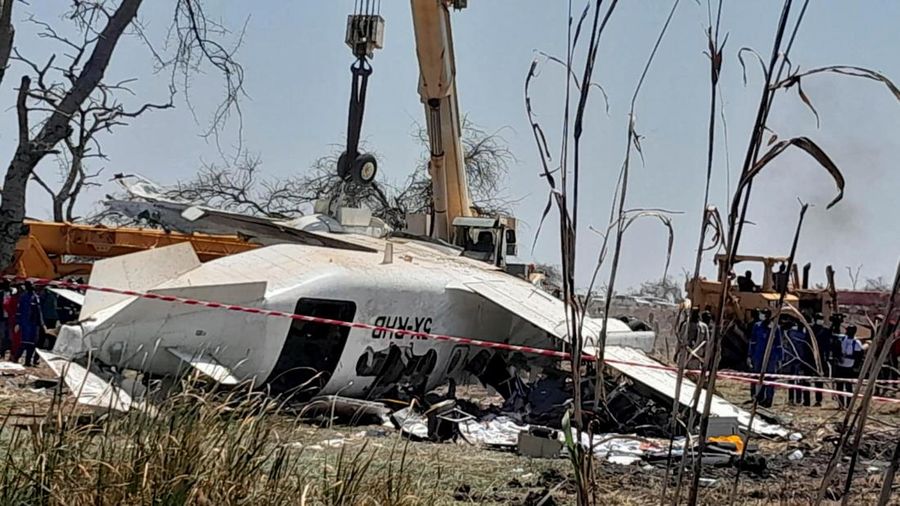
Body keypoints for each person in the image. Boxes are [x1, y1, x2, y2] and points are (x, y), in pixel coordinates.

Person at [749, 309, 781, 407]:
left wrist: (780, 358)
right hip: (758, 356)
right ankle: (757, 397)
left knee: (770, 379)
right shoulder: (757, 326)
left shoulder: (775, 327)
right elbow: (753, 342)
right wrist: (749, 355)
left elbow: (779, 344)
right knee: (757, 377)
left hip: (771, 357)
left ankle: (768, 399)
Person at [833, 324, 864, 409]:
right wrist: (838, 357)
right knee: (839, 386)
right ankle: (841, 404)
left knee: (848, 386)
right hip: (841, 365)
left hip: (850, 366)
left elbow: (858, 356)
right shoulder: (843, 339)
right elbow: (837, 349)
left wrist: (856, 367)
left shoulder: (856, 343)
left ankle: (849, 405)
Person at [14, 282, 43, 367]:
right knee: (24, 342)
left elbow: (39, 311)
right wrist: (18, 322)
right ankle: (16, 358)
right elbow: (19, 311)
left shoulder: (36, 297)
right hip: (25, 322)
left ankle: (27, 361)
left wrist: (41, 323)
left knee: (32, 343)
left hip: (33, 323)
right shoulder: (23, 297)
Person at [785, 321, 812, 406]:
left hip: (798, 360)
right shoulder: (802, 335)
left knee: (796, 380)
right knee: (796, 380)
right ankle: (795, 398)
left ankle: (794, 398)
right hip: (796, 359)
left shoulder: (792, 333)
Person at [809, 312, 833, 407]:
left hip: (821, 357)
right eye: (819, 318)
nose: (820, 320)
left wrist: (827, 357)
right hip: (810, 356)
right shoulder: (810, 329)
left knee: (819, 380)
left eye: (821, 318)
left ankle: (818, 399)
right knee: (806, 379)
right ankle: (806, 400)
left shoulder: (826, 330)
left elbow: (828, 345)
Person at [37, 286, 58, 350]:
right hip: (52, 317)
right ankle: (50, 347)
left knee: (43, 335)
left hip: (47, 317)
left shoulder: (46, 297)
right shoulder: (54, 296)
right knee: (50, 335)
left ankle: (41, 347)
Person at [3, 285, 21, 361]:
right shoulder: (15, 299)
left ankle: (13, 355)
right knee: (15, 339)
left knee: (16, 339)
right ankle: (13, 355)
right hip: (15, 321)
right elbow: (6, 305)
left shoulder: (15, 298)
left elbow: (6, 305)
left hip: (15, 320)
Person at [0, 280, 9, 359]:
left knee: (6, 336)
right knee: (2, 335)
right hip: (2, 317)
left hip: (9, 318)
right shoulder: (1, 294)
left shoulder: (11, 294)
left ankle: (3, 352)